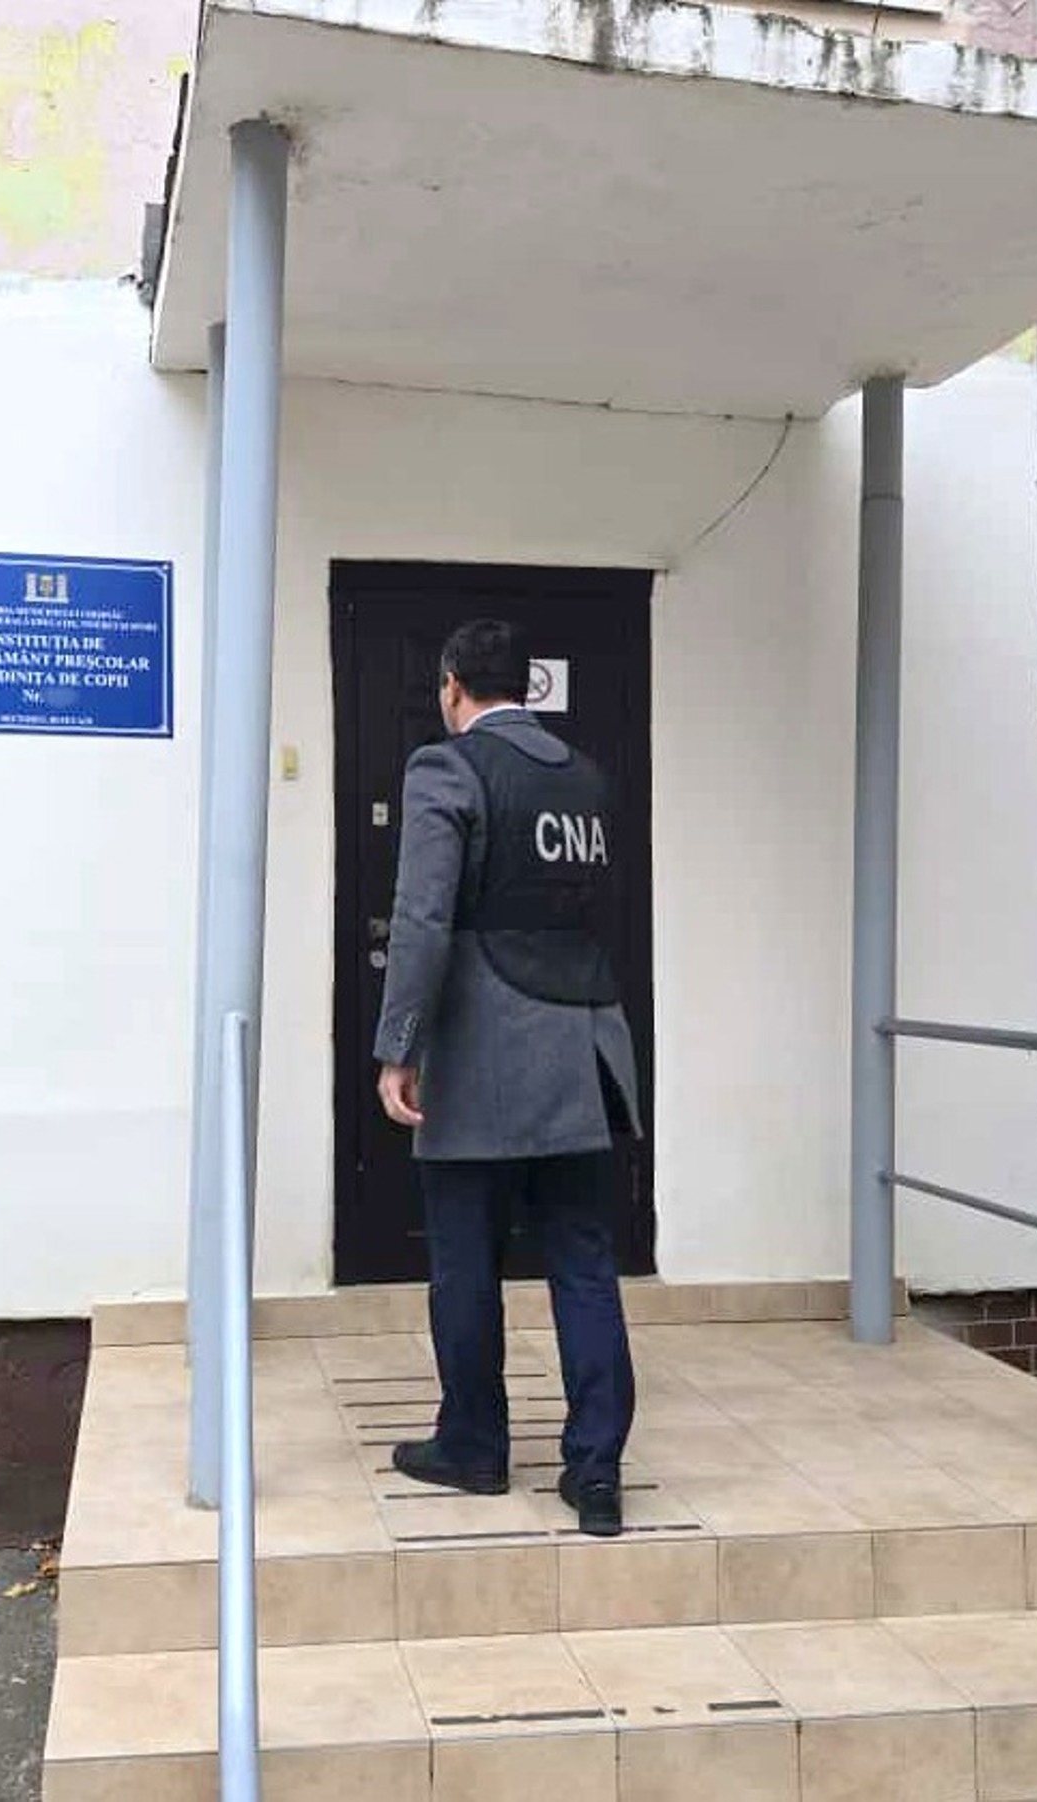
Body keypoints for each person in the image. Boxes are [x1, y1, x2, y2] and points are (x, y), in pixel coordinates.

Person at [373, 617, 641, 1537]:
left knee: (464, 1264)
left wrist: (399, 1045)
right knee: (584, 1264)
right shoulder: (586, 777)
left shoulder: (445, 769)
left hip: (485, 1054)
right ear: (524, 687)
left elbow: (422, 918)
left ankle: (475, 1447)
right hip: (588, 1051)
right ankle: (596, 1474)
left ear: (452, 686)